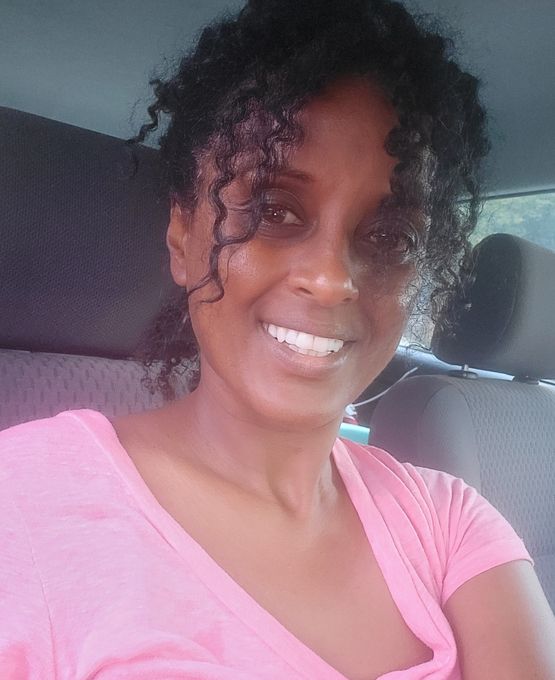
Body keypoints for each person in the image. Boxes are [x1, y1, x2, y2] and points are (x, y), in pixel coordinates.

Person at [1, 1, 554, 678]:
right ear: (182, 235)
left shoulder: (450, 522)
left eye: (388, 236)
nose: (330, 280)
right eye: (274, 211)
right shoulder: (21, 504)